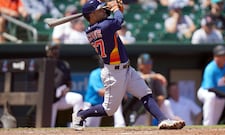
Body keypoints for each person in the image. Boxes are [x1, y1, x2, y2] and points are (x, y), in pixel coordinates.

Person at [71, 0, 185, 131]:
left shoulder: (92, 29)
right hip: (114, 73)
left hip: (126, 68)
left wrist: (111, 7)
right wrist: (115, 9)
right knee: (109, 109)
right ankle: (81, 115)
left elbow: (108, 17)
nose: (102, 11)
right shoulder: (104, 26)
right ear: (91, 15)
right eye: (99, 10)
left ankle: (163, 120)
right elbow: (119, 20)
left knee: (145, 93)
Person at [45, 43, 84, 127]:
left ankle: (77, 124)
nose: (55, 51)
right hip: (48, 100)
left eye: (57, 49)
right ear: (48, 51)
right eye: (53, 49)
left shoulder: (63, 64)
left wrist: (66, 90)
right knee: (49, 126)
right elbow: (36, 82)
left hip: (62, 97)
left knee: (78, 98)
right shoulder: (44, 64)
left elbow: (69, 83)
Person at [197, 45, 225, 126]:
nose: (224, 58)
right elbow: (210, 88)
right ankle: (206, 125)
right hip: (205, 91)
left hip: (221, 96)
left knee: (214, 122)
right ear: (215, 57)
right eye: (221, 56)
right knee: (211, 96)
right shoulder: (210, 68)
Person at [84, 56, 125, 127]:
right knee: (88, 127)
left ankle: (120, 125)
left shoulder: (113, 74)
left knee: (116, 100)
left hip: (104, 105)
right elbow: (101, 92)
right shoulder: (95, 73)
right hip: (92, 105)